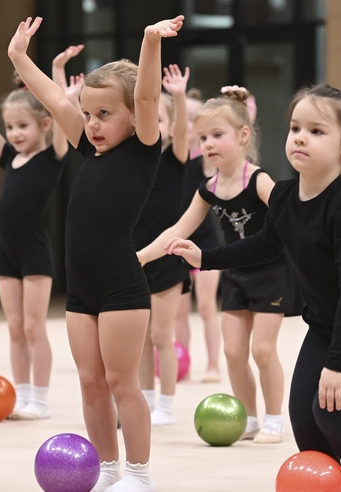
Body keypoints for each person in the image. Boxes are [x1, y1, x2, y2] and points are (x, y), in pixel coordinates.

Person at [163, 84, 341, 492]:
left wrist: (340, 363)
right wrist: (205, 258)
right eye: (295, 128)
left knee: (333, 413)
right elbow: (262, 245)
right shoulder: (286, 196)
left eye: (316, 131)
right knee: (303, 415)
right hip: (326, 325)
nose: (300, 138)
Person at [9, 15, 184, 491]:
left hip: (121, 285)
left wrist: (150, 41)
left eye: (105, 114)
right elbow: (49, 96)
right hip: (81, 289)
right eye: (88, 114)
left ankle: (139, 474)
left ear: (132, 116)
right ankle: (107, 469)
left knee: (123, 383)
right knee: (90, 383)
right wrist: (18, 57)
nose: (92, 124)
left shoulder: (144, 148)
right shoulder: (89, 147)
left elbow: (148, 95)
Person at [138, 86, 304, 444]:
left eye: (217, 135)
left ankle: (275, 417)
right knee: (232, 352)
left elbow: (291, 221)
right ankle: (251, 419)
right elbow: (177, 230)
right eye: (203, 137)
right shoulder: (208, 187)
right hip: (237, 276)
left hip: (272, 274)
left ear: (243, 136)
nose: (208, 144)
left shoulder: (258, 180)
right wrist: (140, 256)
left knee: (262, 349)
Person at [0, 54, 70, 421]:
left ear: (43, 125)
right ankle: (21, 397)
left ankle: (39, 400)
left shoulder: (53, 155)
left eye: (22, 125)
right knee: (14, 328)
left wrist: (57, 77)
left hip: (35, 253)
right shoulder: (9, 157)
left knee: (33, 327)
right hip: (6, 254)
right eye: (10, 127)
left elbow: (60, 112)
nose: (14, 134)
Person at [134, 64, 191, 427]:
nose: (154, 124)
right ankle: (146, 402)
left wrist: (179, 98)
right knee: (138, 339)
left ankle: (167, 406)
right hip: (136, 258)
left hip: (167, 257)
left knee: (160, 336)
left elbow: (184, 130)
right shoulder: (133, 162)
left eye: (161, 119)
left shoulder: (175, 159)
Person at [174, 88, 222, 383]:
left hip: (205, 243)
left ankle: (213, 365)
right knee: (179, 311)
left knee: (206, 307)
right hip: (177, 242)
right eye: (185, 118)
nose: (189, 124)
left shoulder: (205, 159)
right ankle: (183, 364)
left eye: (194, 119)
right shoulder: (173, 159)